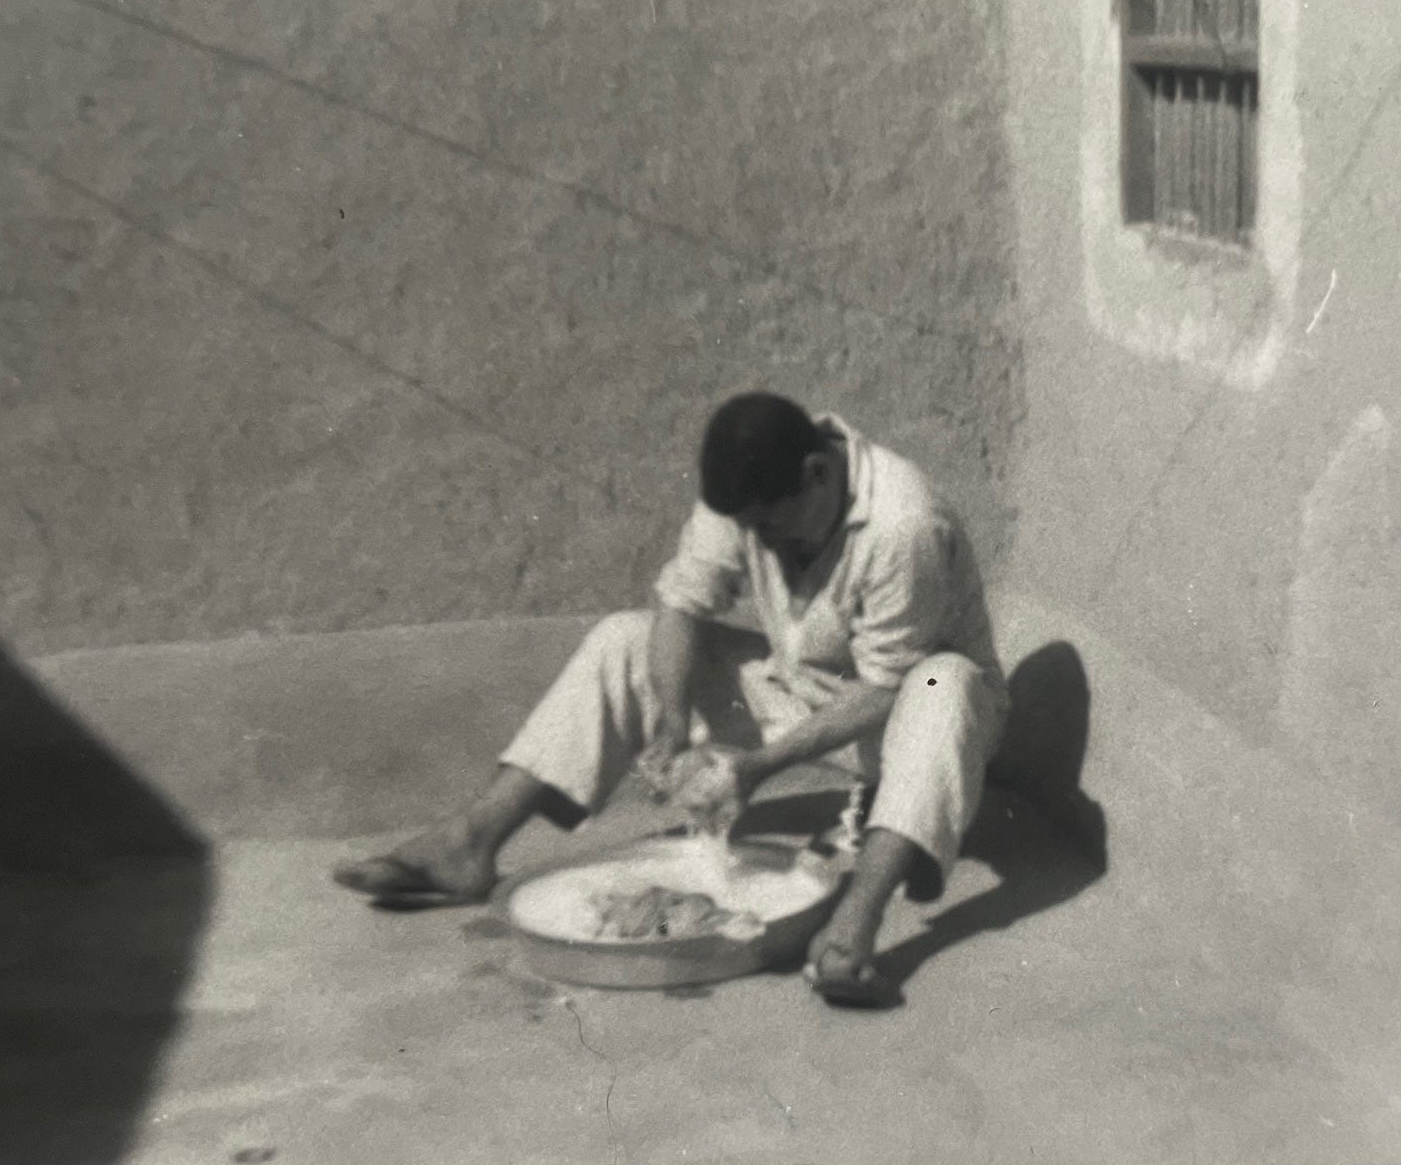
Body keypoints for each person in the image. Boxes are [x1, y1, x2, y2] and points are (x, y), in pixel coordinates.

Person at [333, 392, 1008, 1008]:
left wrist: (757, 767)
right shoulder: (747, 496)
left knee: (941, 681)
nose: (764, 545)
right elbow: (682, 604)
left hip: (914, 720)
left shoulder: (903, 523)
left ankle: (855, 920)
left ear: (818, 473)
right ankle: (471, 841)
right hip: (805, 690)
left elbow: (886, 686)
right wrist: (674, 722)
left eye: (773, 527)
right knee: (626, 638)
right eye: (752, 530)